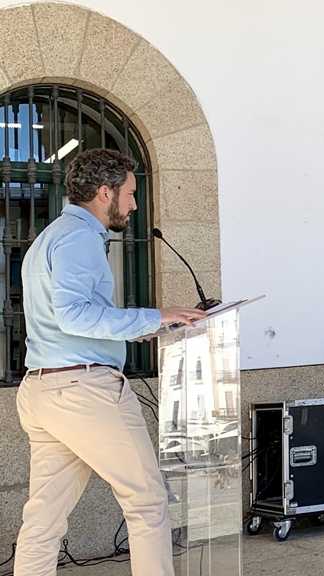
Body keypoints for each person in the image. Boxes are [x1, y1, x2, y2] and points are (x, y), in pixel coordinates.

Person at [14, 149, 208, 576]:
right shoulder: (80, 237)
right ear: (106, 193)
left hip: (43, 389)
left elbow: (73, 320)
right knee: (148, 502)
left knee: (44, 518)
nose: (135, 205)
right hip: (84, 393)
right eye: (130, 194)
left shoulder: (48, 238)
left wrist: (157, 325)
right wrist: (157, 316)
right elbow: (74, 315)